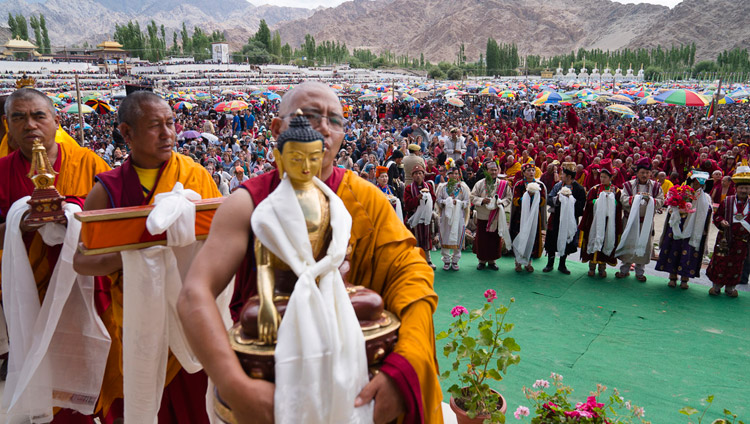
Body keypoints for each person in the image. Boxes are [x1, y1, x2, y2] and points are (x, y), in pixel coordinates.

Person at [177, 81, 443, 424]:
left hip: (353, 364)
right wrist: (234, 385)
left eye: (335, 120)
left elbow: (411, 276)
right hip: (269, 368)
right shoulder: (249, 202)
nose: (323, 128)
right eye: (310, 116)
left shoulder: (365, 199)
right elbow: (194, 294)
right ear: (277, 128)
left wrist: (403, 367)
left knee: (366, 304)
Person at [72, 91, 221, 423]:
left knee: (195, 407)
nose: (168, 133)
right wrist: (136, 257)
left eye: (170, 123)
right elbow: (81, 262)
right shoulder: (106, 189)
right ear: (126, 133)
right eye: (155, 125)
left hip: (188, 315)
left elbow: (219, 244)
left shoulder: (194, 176)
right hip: (134, 318)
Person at [0, 88, 110, 423]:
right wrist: (21, 223)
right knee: (43, 369)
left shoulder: (89, 163)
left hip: (90, 283)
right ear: (7, 125)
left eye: (38, 115)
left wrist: (74, 215)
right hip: (28, 291)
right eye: (18, 117)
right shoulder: (2, 171)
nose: (29, 124)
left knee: (98, 366)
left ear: (56, 121)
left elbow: (111, 222)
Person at [655, 170, 712, 289]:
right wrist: (676, 210)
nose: (698, 186)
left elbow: (707, 213)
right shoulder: (682, 193)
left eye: (701, 184)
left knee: (689, 252)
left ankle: (684, 279)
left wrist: (704, 227)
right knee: (674, 250)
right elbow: (670, 207)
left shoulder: (706, 198)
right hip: (678, 226)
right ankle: (672, 277)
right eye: (696, 183)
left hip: (694, 228)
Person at [615, 157, 665, 282]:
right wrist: (635, 199)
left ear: (651, 174)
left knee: (643, 244)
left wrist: (651, 201)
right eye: (642, 172)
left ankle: (640, 271)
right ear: (637, 173)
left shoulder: (656, 187)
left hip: (646, 222)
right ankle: (624, 270)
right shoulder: (628, 185)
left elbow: (661, 201)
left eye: (647, 173)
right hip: (630, 221)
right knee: (629, 243)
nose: (645, 175)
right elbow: (623, 199)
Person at [705, 166, 750, 298]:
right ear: (736, 188)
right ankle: (716, 287)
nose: (744, 190)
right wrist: (722, 222)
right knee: (720, 262)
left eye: (746, 188)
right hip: (725, 239)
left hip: (742, 243)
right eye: (741, 188)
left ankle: (730, 288)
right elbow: (717, 216)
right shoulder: (728, 201)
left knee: (736, 265)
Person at [542, 162, 586, 274]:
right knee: (552, 240)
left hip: (569, 219)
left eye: (563, 174)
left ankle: (562, 264)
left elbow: (581, 207)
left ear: (569, 176)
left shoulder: (579, 189)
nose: (561, 176)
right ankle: (549, 264)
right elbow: (549, 198)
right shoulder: (558, 186)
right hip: (555, 217)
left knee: (567, 240)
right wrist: (558, 199)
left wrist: (569, 201)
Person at [579, 167, 622, 277]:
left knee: (606, 242)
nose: (602, 179)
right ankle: (592, 267)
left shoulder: (616, 191)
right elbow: (588, 203)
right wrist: (596, 201)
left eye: (605, 177)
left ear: (611, 178)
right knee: (593, 240)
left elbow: (619, 206)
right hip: (595, 222)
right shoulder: (594, 189)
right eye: (601, 177)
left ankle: (602, 267)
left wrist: (612, 202)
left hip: (609, 223)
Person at [469, 161, 511, 271]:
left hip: (496, 216)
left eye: (495, 170)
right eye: (491, 170)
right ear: (486, 171)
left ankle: (492, 261)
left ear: (498, 170)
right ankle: (481, 261)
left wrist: (501, 202)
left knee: (495, 239)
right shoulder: (479, 184)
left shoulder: (503, 184)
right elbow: (472, 197)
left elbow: (508, 198)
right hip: (483, 215)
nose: (493, 172)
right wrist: (482, 200)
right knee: (482, 239)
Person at [510, 162, 547, 272]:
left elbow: (543, 201)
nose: (531, 173)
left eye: (533, 171)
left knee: (532, 238)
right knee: (520, 236)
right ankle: (518, 262)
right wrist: (526, 197)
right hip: (520, 217)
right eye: (528, 171)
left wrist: (535, 197)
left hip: (535, 216)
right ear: (523, 173)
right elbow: (515, 201)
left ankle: (528, 262)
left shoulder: (540, 185)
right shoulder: (519, 185)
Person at [436, 166, 470, 271]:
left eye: (456, 174)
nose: (454, 176)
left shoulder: (463, 188)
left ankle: (455, 260)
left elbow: (467, 202)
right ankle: (446, 260)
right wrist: (446, 202)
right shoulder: (443, 187)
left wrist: (457, 203)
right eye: (452, 173)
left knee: (458, 234)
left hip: (458, 217)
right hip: (446, 217)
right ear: (448, 175)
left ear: (459, 175)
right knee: (445, 234)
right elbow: (438, 200)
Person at [404, 164, 437, 270]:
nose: (418, 176)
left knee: (426, 238)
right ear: (412, 176)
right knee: (415, 239)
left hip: (425, 218)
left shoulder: (429, 187)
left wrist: (427, 199)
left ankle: (428, 260)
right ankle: (415, 261)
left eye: (420, 173)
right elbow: (407, 204)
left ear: (423, 175)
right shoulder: (409, 188)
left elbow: (433, 199)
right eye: (415, 174)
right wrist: (417, 199)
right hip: (414, 217)